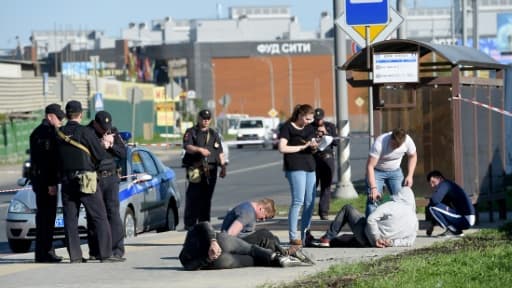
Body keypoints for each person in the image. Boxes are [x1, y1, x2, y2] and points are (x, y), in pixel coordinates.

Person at [56, 100, 122, 263]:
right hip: (86, 180)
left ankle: (76, 256)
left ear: (66, 114)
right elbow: (100, 154)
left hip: (66, 180)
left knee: (71, 218)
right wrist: (105, 145)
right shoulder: (85, 132)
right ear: (81, 114)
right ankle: (105, 254)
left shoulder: (58, 133)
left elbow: (54, 158)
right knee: (99, 216)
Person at [305, 187, 418, 248]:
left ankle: (327, 238)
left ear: (400, 196)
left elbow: (371, 219)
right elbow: (409, 242)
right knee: (345, 239)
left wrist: (376, 239)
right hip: (384, 244)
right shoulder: (415, 221)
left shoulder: (392, 205)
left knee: (347, 208)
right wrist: (392, 243)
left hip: (369, 238)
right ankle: (332, 241)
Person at [179, 222, 308, 270]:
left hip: (217, 261)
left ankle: (281, 259)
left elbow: (192, 267)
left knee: (254, 261)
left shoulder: (184, 260)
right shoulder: (191, 235)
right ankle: (277, 256)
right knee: (251, 249)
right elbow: (205, 225)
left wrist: (209, 257)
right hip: (221, 241)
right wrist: (213, 241)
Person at [86, 110, 127, 260]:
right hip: (94, 178)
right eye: (102, 127)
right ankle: (95, 251)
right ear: (95, 124)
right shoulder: (87, 132)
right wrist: (100, 145)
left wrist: (111, 146)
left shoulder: (113, 132)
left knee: (113, 213)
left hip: (110, 178)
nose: (105, 130)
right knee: (94, 216)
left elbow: (123, 153)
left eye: (107, 127)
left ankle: (117, 249)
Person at [220, 198, 313, 264]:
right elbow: (230, 234)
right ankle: (284, 254)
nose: (263, 220)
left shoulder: (248, 207)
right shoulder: (247, 213)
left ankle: (279, 253)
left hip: (239, 239)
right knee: (264, 235)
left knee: (274, 238)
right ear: (261, 208)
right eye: (265, 216)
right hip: (232, 243)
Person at [29, 103, 66, 263]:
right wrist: (51, 183)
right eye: (58, 118)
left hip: (40, 182)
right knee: (46, 219)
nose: (60, 122)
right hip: (46, 183)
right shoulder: (47, 134)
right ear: (50, 116)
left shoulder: (38, 132)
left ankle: (43, 252)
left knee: (44, 218)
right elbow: (46, 162)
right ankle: (45, 253)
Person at [278, 104, 318, 246]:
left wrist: (314, 146)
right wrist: (302, 147)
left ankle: (306, 234)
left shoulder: (309, 128)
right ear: (300, 115)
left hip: (310, 166)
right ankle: (293, 236)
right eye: (307, 119)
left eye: (311, 120)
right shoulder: (287, 127)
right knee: (298, 201)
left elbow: (313, 146)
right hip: (295, 167)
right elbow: (282, 147)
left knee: (309, 203)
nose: (309, 122)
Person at [182, 109, 227, 230]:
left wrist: (223, 167)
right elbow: (187, 147)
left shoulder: (213, 134)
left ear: (210, 120)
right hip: (195, 168)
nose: (205, 121)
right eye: (203, 118)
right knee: (193, 195)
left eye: (208, 119)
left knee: (207, 197)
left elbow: (220, 152)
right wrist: (200, 150)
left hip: (211, 169)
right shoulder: (192, 132)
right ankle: (190, 222)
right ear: (199, 118)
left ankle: (204, 222)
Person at [366, 128, 417, 216]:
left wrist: (410, 175)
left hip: (395, 172)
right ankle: (370, 227)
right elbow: (370, 166)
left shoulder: (408, 141)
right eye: (393, 144)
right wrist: (373, 188)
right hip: (377, 172)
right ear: (391, 138)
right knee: (373, 199)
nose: (395, 147)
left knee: (401, 199)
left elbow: (413, 156)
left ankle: (402, 224)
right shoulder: (380, 142)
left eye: (398, 146)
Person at [425, 170, 476, 237]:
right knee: (435, 206)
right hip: (465, 218)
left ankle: (453, 230)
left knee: (432, 207)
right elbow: (439, 209)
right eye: (430, 184)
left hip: (465, 219)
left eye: (433, 182)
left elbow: (434, 201)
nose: (432, 185)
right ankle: (456, 231)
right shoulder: (448, 186)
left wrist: (431, 225)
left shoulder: (445, 184)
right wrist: (432, 225)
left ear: (440, 179)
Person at [311, 108, 338, 220]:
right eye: (316, 119)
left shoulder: (330, 126)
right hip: (314, 159)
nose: (318, 121)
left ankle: (324, 212)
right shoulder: (310, 127)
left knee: (326, 187)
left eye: (320, 119)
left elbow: (336, 142)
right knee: (312, 186)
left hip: (327, 158)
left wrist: (326, 133)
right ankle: (308, 210)